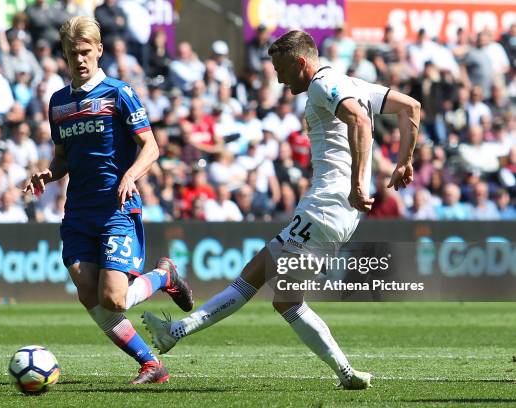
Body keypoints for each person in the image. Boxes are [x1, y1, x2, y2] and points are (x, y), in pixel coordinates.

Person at [143, 30, 420, 390]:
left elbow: (359, 121)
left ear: (301, 62)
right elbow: (410, 107)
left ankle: (175, 333)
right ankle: (177, 332)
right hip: (335, 210)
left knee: (278, 293)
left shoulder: (324, 84)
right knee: (272, 287)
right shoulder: (351, 82)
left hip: (327, 204)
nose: (277, 77)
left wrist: (357, 182)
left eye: (281, 68)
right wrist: (404, 160)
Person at [22, 16, 193, 384]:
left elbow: (151, 146)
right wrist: (47, 174)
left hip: (115, 209)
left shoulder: (119, 93)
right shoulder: (59, 103)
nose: (79, 59)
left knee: (113, 299)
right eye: (72, 53)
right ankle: (151, 364)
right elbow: (63, 159)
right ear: (65, 56)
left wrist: (130, 174)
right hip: (78, 214)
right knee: (89, 296)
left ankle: (164, 276)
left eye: (85, 51)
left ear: (99, 49)